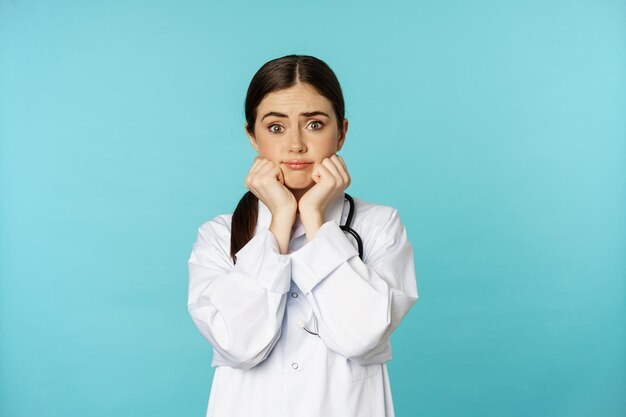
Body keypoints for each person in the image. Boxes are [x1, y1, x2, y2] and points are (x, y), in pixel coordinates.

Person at [187, 54, 419, 417]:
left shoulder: (379, 226)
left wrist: (316, 220)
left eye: (314, 124)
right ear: (252, 136)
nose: (295, 144)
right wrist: (280, 220)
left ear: (341, 132)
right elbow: (238, 345)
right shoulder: (219, 235)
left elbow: (362, 337)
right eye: (276, 127)